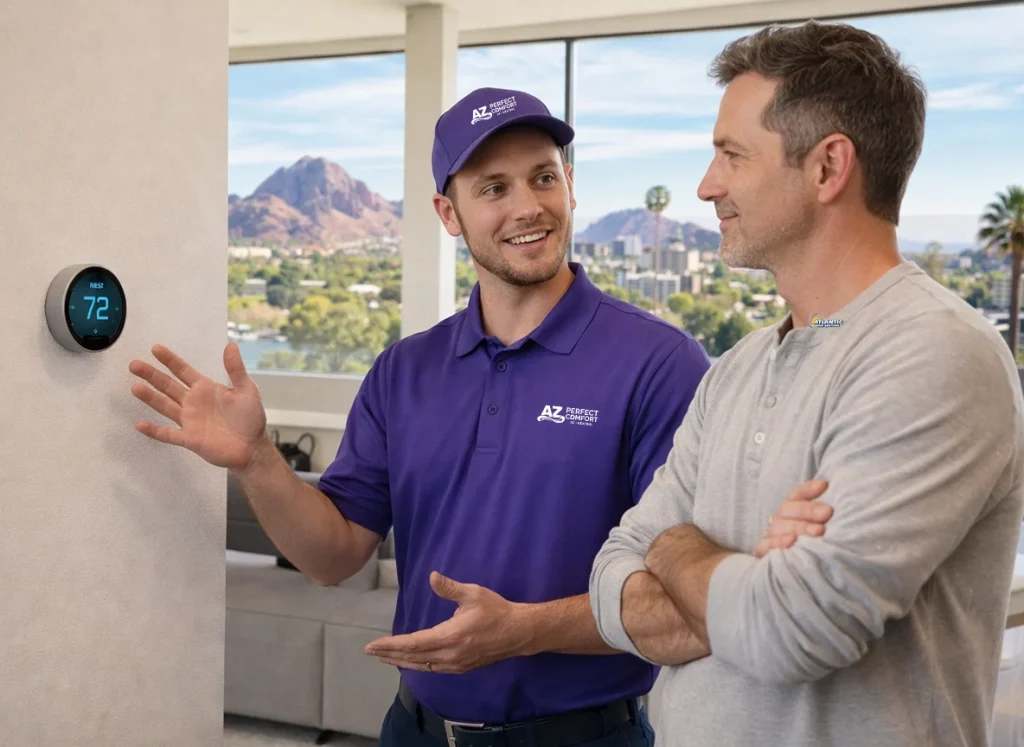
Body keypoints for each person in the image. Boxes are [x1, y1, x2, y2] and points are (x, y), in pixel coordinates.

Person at [128, 86, 822, 747]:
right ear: (448, 213)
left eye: (543, 178)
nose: (528, 206)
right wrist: (257, 460)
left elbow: (687, 601)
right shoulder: (402, 371)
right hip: (414, 729)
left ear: (571, 186)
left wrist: (525, 629)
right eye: (493, 188)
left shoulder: (659, 362)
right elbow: (331, 557)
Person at [589, 20, 1024, 747]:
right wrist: (745, 575)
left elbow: (790, 631)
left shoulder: (936, 353)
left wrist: (677, 549)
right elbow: (611, 578)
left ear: (827, 167)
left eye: (732, 155)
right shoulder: (735, 369)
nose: (707, 185)